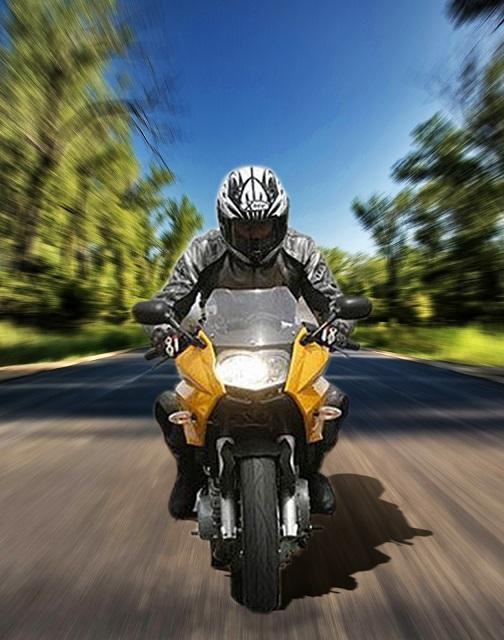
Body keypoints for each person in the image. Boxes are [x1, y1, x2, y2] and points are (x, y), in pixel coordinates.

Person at [149, 166, 352, 519]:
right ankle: (189, 473)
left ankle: (311, 470)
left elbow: (330, 300)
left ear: (280, 221)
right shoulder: (203, 251)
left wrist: (339, 325)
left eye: (264, 226)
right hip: (217, 344)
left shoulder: (301, 249)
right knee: (173, 406)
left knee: (329, 402)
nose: (255, 236)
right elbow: (171, 300)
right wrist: (163, 330)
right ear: (225, 223)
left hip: (285, 343)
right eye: (245, 227)